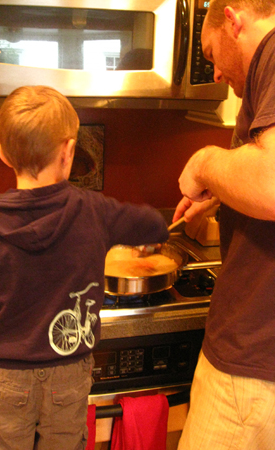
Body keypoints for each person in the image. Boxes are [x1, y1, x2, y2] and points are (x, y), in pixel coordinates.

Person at [0, 85, 169, 450]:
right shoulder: (94, 210)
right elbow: (151, 224)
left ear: (3, 155)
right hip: (68, 378)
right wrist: (156, 230)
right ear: (69, 152)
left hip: (5, 378)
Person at [172, 1, 275, 449]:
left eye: (211, 55)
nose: (214, 75)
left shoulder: (272, 51)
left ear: (233, 21)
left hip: (252, 365)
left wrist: (204, 163)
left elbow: (272, 183)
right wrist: (225, 195)